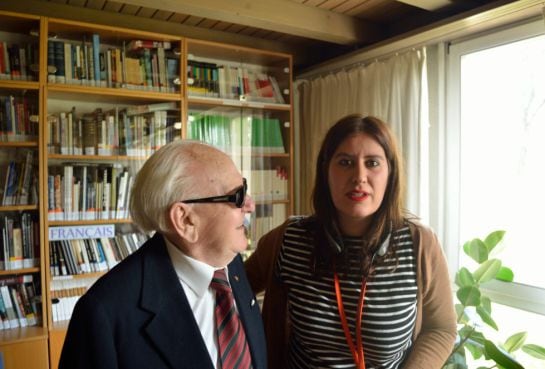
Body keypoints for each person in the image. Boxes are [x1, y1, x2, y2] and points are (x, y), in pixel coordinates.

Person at [245, 114, 456, 369]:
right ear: (326, 171)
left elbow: (441, 328)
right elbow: (230, 290)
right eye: (345, 162)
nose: (359, 176)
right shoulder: (289, 239)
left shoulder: (420, 244)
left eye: (373, 163)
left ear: (390, 173)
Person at [59, 140, 267, 369]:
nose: (250, 205)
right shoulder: (104, 314)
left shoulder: (231, 263)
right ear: (185, 220)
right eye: (237, 196)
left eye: (244, 188)